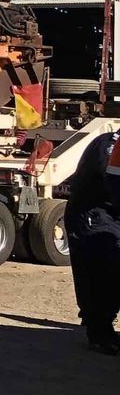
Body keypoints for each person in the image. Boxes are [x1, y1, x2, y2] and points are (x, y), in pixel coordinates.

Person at [63, 128, 120, 354]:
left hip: (110, 214)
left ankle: (101, 324)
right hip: (93, 215)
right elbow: (115, 186)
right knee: (101, 272)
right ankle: (99, 332)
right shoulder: (109, 146)